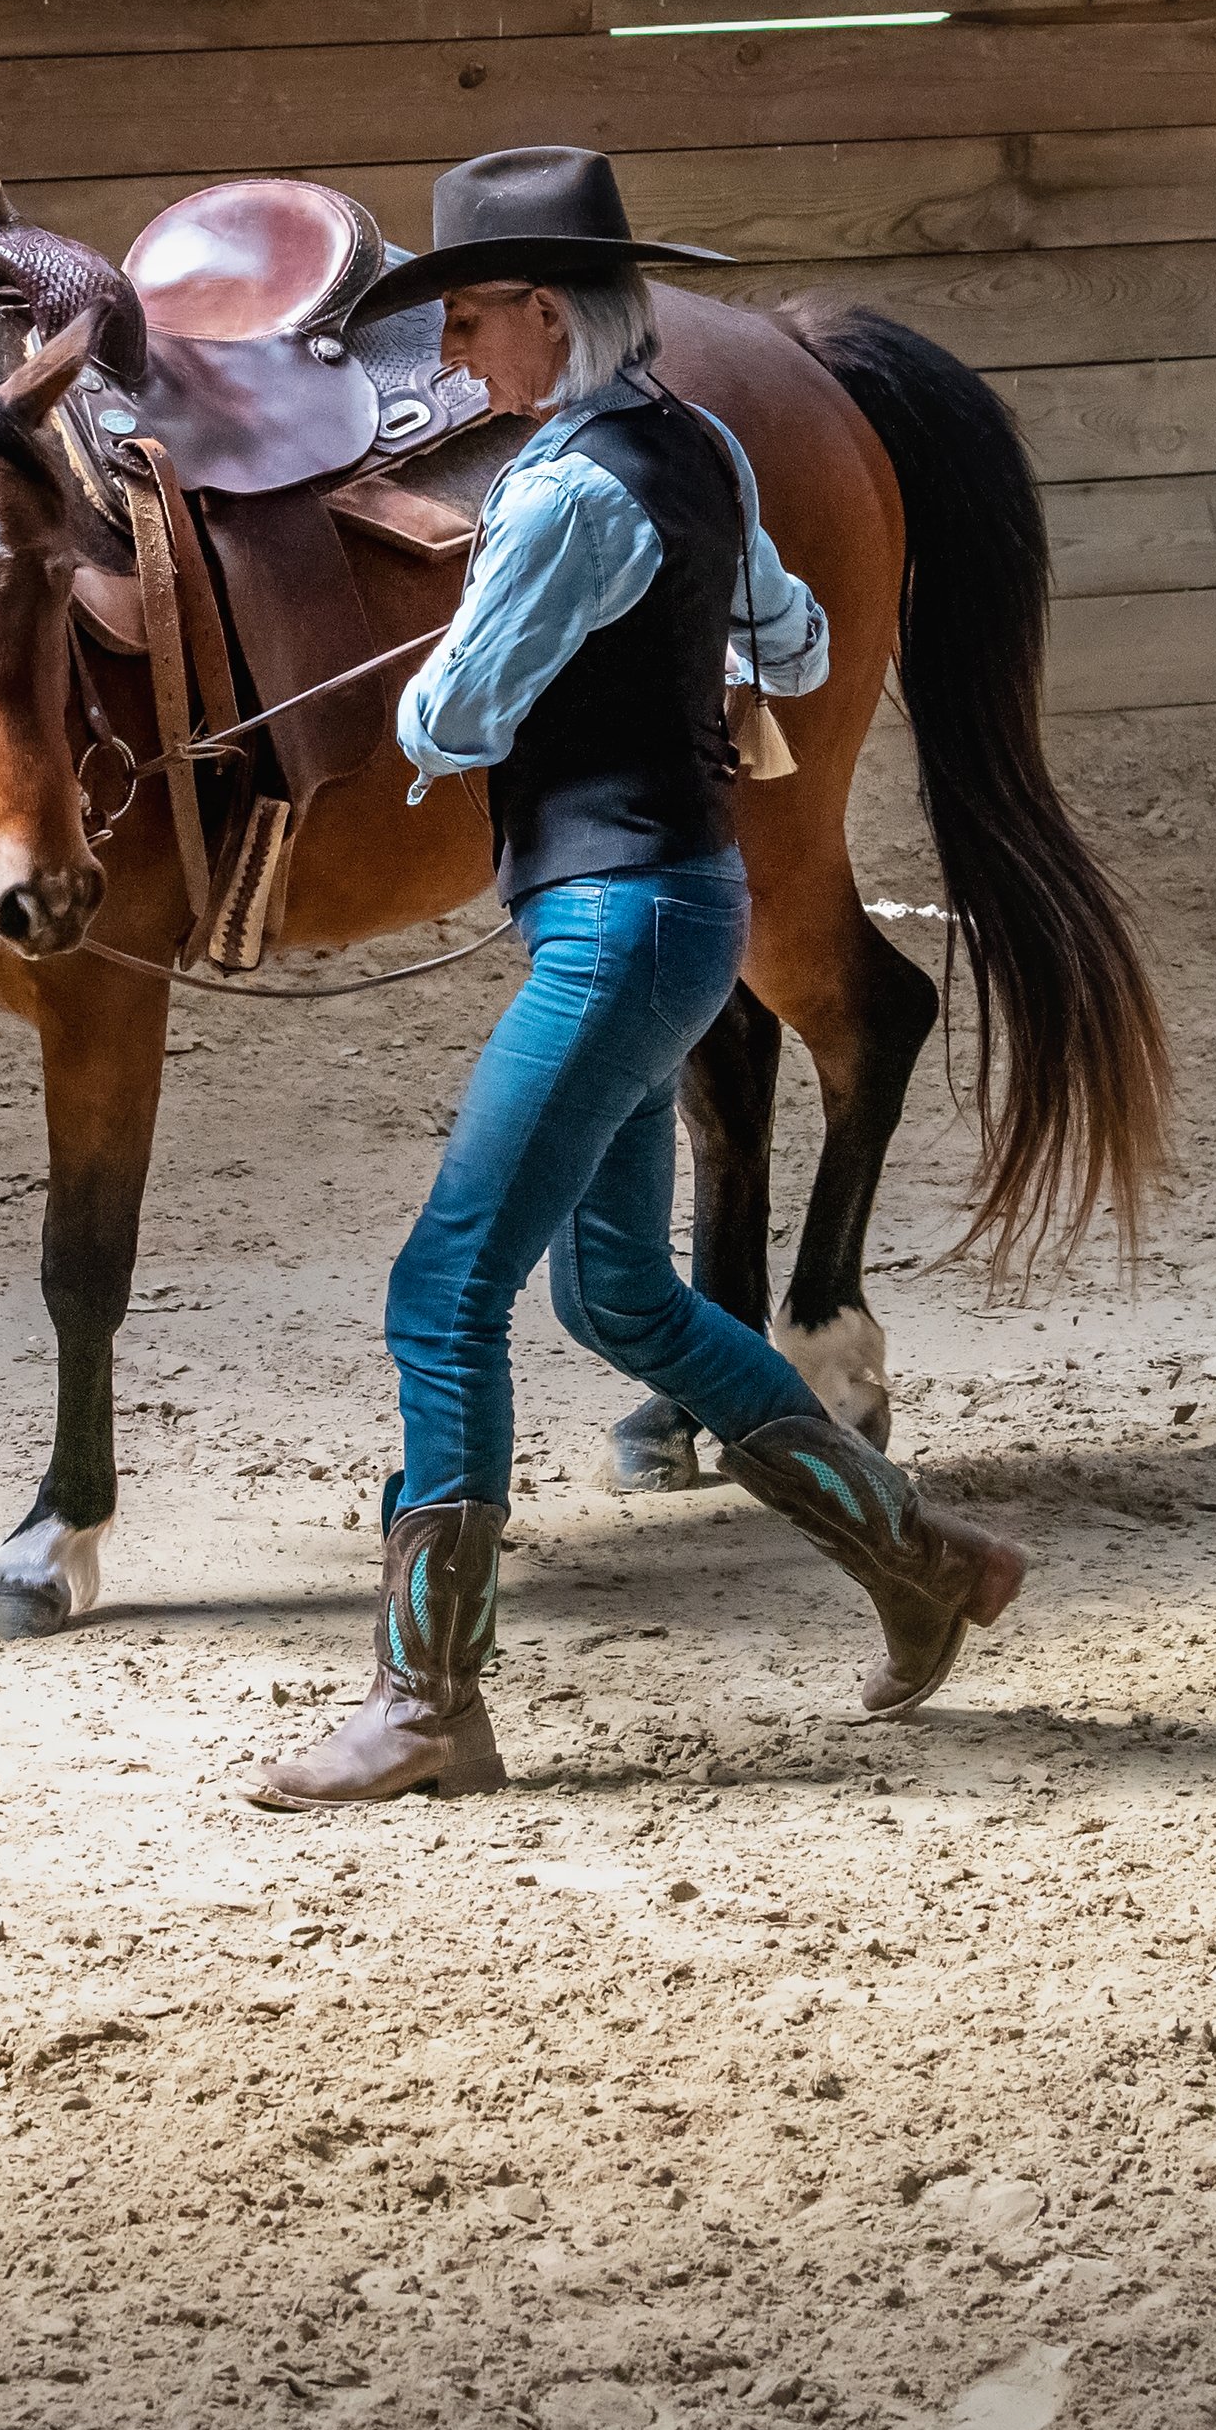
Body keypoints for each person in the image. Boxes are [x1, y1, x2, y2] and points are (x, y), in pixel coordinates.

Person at [248, 148, 1025, 1811]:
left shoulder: (557, 498)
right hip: (680, 912)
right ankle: (922, 1564)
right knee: (614, 1295)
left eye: (470, 319)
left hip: (608, 928)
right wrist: (669, 652)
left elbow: (445, 723)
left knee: (444, 1291)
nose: (455, 354)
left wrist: (476, 628)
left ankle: (427, 1703)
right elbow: (799, 645)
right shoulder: (701, 445)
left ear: (547, 311)